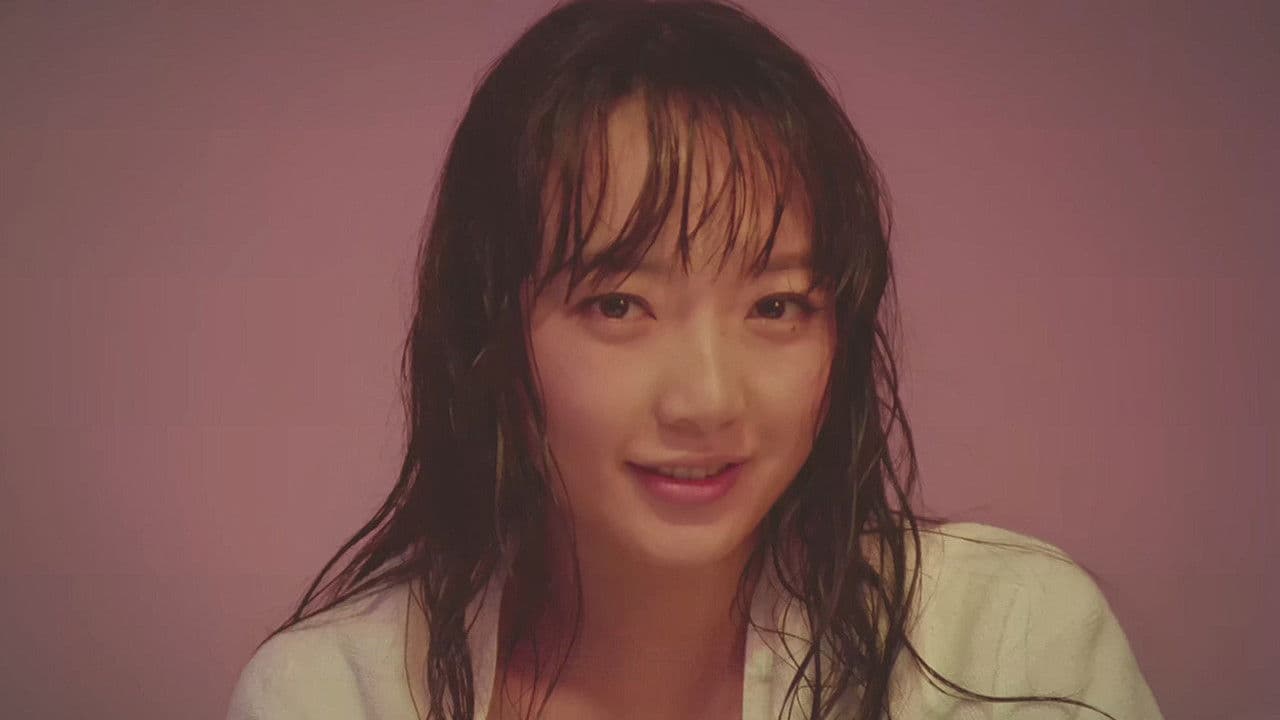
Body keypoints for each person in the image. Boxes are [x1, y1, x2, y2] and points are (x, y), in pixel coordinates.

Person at [227, 1, 1163, 718]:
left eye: (777, 305)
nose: (709, 400)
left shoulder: (1005, 646)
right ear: (490, 333)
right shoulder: (331, 694)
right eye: (619, 304)